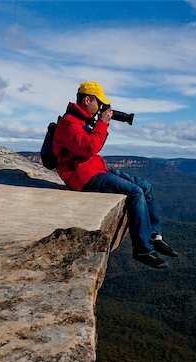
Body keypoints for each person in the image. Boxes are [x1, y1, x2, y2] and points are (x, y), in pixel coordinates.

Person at [53, 81, 178, 269]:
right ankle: (143, 250)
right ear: (87, 100)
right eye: (99, 103)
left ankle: (155, 236)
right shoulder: (69, 123)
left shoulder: (83, 120)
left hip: (95, 168)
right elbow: (89, 147)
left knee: (146, 185)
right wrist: (102, 123)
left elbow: (92, 147)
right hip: (82, 176)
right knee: (135, 192)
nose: (101, 107)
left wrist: (100, 123)